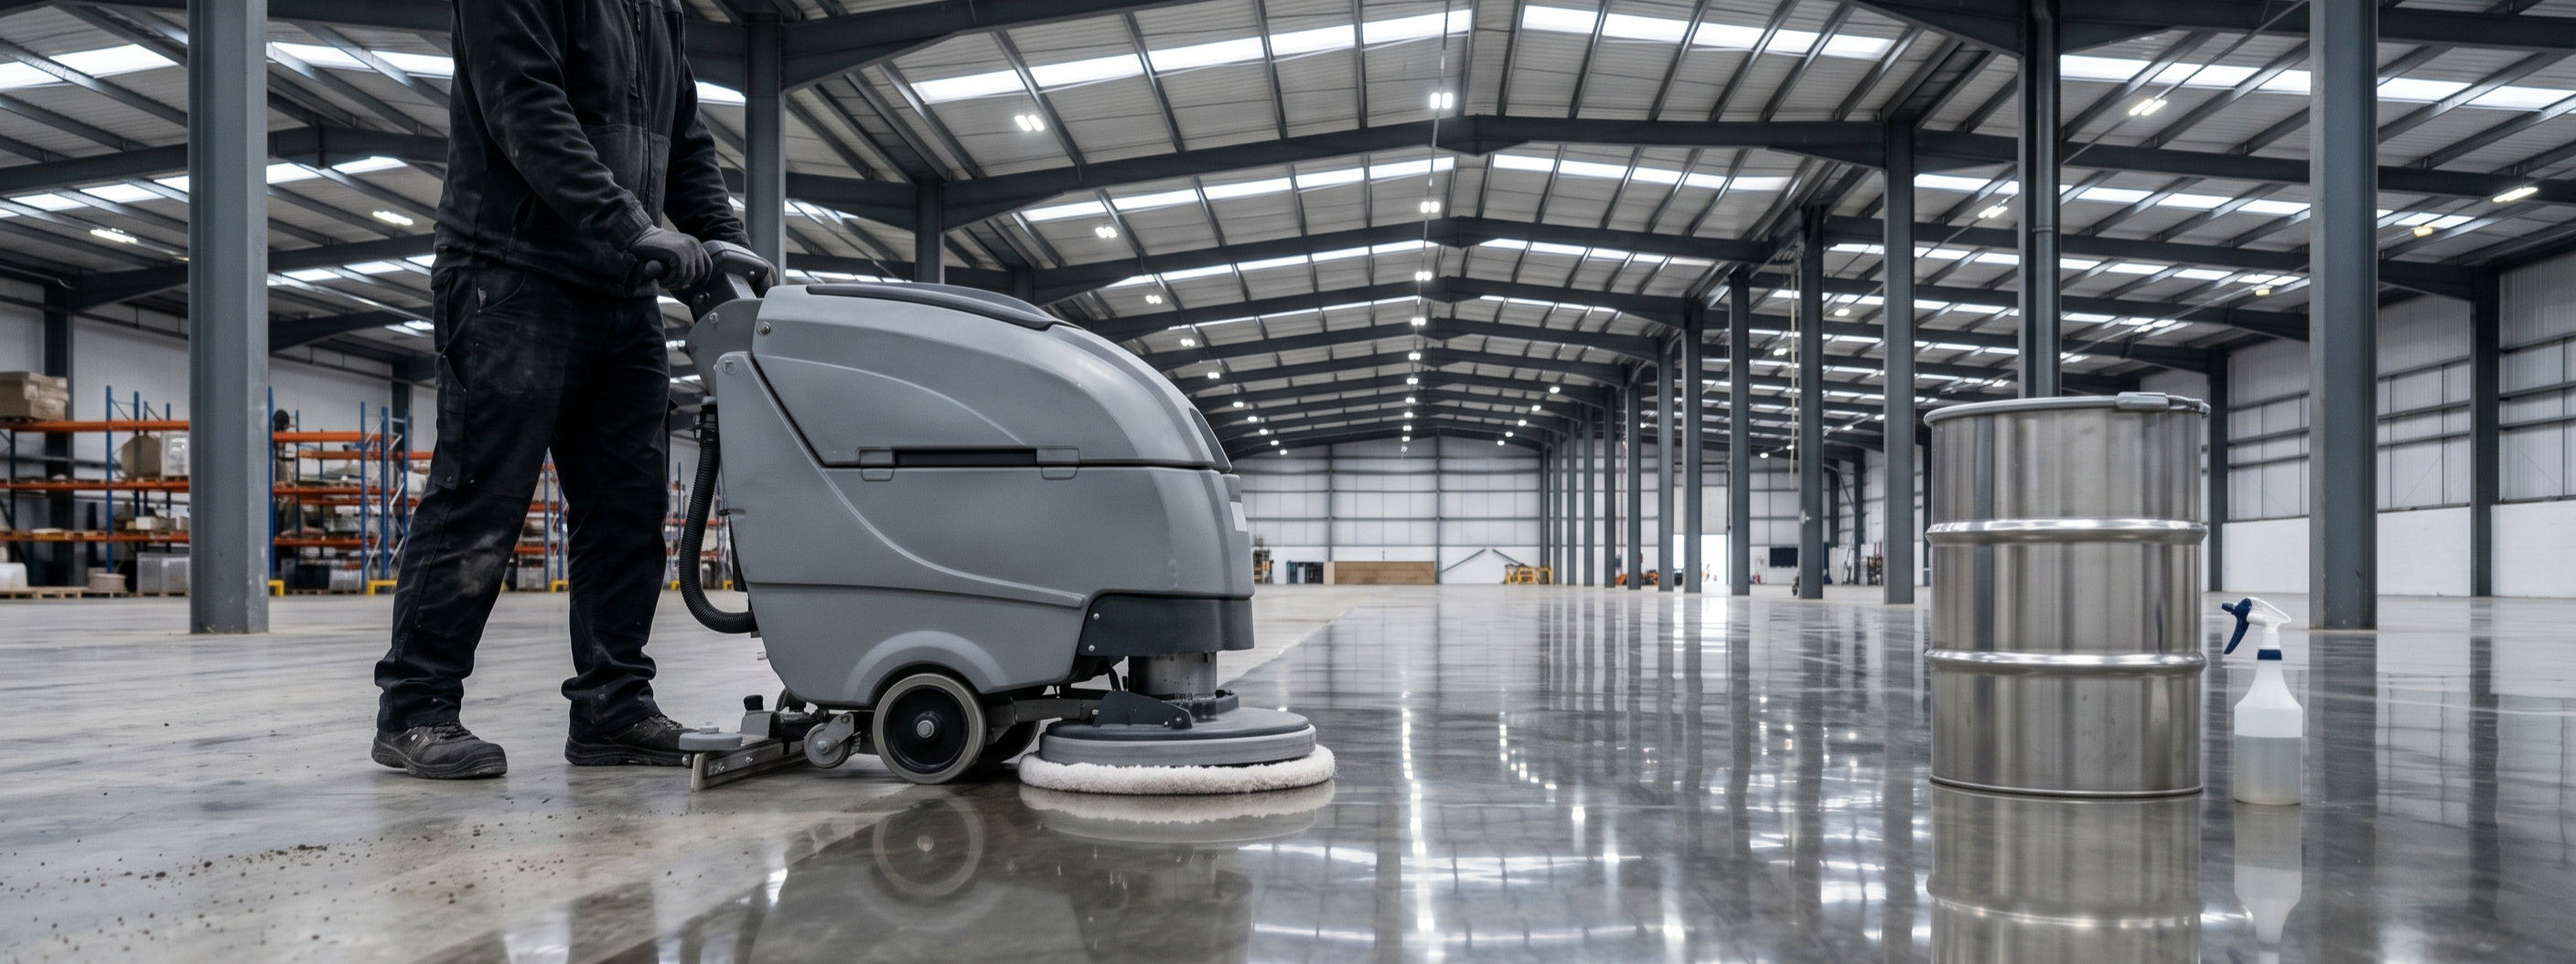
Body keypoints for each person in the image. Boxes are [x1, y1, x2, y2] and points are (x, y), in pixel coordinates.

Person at [370, 0, 773, 779]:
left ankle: (612, 710)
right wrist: (631, 225)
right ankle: (414, 708)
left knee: (628, 508)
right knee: (480, 499)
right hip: (510, 274)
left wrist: (720, 239)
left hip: (619, 292)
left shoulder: (657, 10)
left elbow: (683, 137)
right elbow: (527, 110)